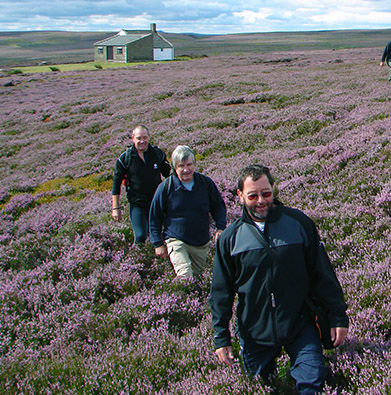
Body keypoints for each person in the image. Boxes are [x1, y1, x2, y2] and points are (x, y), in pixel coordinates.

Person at [210, 164, 348, 395]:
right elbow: (221, 291)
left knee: (313, 382)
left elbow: (322, 274)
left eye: (266, 193)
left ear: (273, 189)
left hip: (300, 323)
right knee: (261, 387)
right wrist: (221, 336)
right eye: (253, 195)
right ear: (240, 196)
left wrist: (338, 316)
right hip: (254, 330)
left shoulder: (298, 223)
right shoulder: (230, 238)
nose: (261, 201)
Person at [149, 145, 227, 278]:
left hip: (201, 242)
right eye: (181, 166)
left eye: (189, 164)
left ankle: (190, 298)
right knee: (185, 275)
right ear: (175, 168)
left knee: (197, 278)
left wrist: (220, 228)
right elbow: (154, 217)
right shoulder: (165, 188)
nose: (186, 170)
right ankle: (178, 298)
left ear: (195, 164)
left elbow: (218, 206)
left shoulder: (205, 183)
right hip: (176, 240)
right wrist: (158, 243)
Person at [111, 124, 172, 244]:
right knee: (140, 236)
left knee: (162, 233)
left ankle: (161, 259)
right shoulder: (125, 158)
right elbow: (116, 182)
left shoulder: (157, 154)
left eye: (145, 137)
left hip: (157, 202)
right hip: (137, 204)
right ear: (132, 138)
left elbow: (169, 174)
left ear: (149, 137)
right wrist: (115, 208)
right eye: (139, 138)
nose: (142, 141)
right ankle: (139, 256)